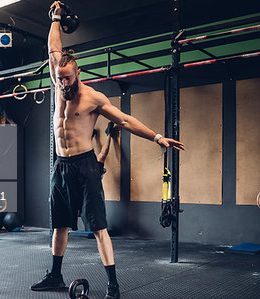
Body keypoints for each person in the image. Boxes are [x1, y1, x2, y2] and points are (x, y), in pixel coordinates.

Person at [31, 2, 185, 298]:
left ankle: (113, 285)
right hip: (60, 166)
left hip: (85, 166)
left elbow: (125, 120)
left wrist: (156, 137)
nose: (62, 82)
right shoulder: (57, 81)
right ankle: (55, 275)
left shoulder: (93, 99)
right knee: (60, 225)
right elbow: (53, 46)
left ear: (78, 73)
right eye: (59, 77)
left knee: (99, 227)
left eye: (67, 77)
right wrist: (55, 18)